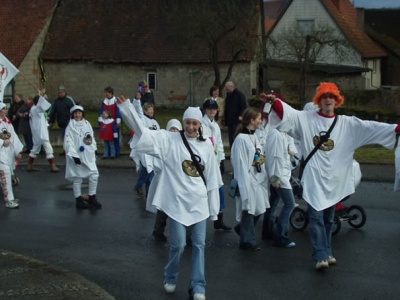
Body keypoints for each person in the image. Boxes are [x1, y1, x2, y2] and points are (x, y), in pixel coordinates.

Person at [262, 82, 400, 270]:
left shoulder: (348, 124)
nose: (328, 100)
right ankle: (320, 256)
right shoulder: (307, 119)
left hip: (335, 180)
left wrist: (395, 129)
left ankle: (327, 251)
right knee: (316, 217)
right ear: (319, 100)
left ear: (337, 100)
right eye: (325, 96)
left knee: (328, 219)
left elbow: (371, 128)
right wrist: (275, 102)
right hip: (314, 180)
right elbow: (290, 115)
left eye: (332, 97)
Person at [117, 94, 221, 300]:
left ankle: (198, 285)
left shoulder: (207, 146)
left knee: (199, 245)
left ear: (200, 125)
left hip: (199, 203)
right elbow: (143, 133)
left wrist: (213, 208)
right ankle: (170, 275)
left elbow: (212, 179)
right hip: (177, 203)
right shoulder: (169, 140)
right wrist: (128, 110)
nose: (191, 127)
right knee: (179, 244)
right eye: (188, 123)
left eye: (194, 123)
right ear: (183, 123)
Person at [231, 107, 270, 251]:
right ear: (252, 120)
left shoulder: (254, 137)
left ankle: (242, 229)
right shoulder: (241, 139)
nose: (261, 121)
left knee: (259, 208)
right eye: (259, 118)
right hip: (248, 180)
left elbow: (259, 157)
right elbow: (240, 164)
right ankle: (247, 240)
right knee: (248, 210)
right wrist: (244, 185)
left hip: (258, 179)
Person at [148, 119, 182, 242]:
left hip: (178, 183)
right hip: (165, 183)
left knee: (180, 209)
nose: (174, 131)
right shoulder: (163, 144)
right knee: (163, 208)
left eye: (176, 129)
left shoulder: (182, 144)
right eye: (172, 129)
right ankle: (158, 231)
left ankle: (185, 235)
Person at [262, 128, 297, 247]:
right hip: (279, 177)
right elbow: (271, 159)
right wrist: (274, 179)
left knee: (273, 203)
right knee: (289, 204)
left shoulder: (283, 133)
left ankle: (268, 232)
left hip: (281, 174)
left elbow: (292, 149)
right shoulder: (276, 135)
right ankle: (281, 237)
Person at [64, 105, 101, 209]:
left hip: (88, 155)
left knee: (94, 175)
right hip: (77, 155)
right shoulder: (70, 127)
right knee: (78, 178)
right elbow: (68, 142)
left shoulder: (87, 124)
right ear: (72, 114)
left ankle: (92, 197)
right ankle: (78, 200)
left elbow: (91, 137)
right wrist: (73, 155)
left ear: (82, 114)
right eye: (75, 113)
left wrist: (94, 148)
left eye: (79, 113)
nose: (77, 115)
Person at [202, 98, 231, 231]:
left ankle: (219, 219)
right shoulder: (202, 125)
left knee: (219, 191)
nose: (212, 111)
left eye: (214, 109)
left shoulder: (216, 126)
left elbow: (219, 145)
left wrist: (221, 160)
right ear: (205, 110)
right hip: (205, 164)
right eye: (210, 109)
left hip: (215, 163)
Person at [132, 100, 160, 198]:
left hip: (152, 148)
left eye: (152, 110)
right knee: (147, 168)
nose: (151, 111)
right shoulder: (142, 119)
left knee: (151, 172)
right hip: (144, 149)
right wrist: (137, 100)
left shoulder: (155, 122)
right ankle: (139, 185)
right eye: (149, 110)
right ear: (145, 111)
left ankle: (149, 193)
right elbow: (138, 111)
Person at [27, 92, 59, 173]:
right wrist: (41, 96)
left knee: (35, 148)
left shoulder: (33, 109)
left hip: (38, 131)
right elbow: (44, 107)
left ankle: (29, 165)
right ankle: (53, 166)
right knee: (48, 149)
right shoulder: (35, 109)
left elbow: (44, 106)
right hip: (40, 132)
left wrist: (42, 97)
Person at [0, 102, 24, 209]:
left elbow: (13, 137)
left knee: (6, 174)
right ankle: (9, 200)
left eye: (6, 108)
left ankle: (9, 198)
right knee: (5, 173)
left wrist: (18, 151)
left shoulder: (7, 123)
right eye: (4, 108)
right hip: (1, 153)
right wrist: (1, 142)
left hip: (7, 153)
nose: (6, 110)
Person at [48, 85, 75, 155]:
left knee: (70, 137)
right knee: (64, 137)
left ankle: (71, 149)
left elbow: (74, 110)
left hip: (69, 122)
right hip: (61, 122)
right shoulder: (56, 101)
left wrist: (72, 120)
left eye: (61, 92)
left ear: (65, 92)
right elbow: (52, 112)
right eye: (59, 93)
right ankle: (65, 150)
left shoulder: (69, 100)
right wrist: (51, 121)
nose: (60, 94)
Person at [98, 86, 122, 157]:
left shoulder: (115, 101)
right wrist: (100, 121)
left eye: (107, 93)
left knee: (115, 138)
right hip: (106, 123)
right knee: (106, 138)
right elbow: (101, 111)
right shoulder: (104, 101)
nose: (106, 94)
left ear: (111, 93)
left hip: (113, 123)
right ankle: (108, 153)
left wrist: (118, 121)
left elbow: (118, 111)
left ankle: (116, 153)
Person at [224, 81, 247, 149]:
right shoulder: (228, 96)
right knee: (231, 137)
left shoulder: (239, 95)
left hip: (237, 120)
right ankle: (232, 150)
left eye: (227, 88)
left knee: (236, 136)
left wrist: (241, 115)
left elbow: (243, 106)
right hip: (230, 120)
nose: (226, 90)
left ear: (232, 87)